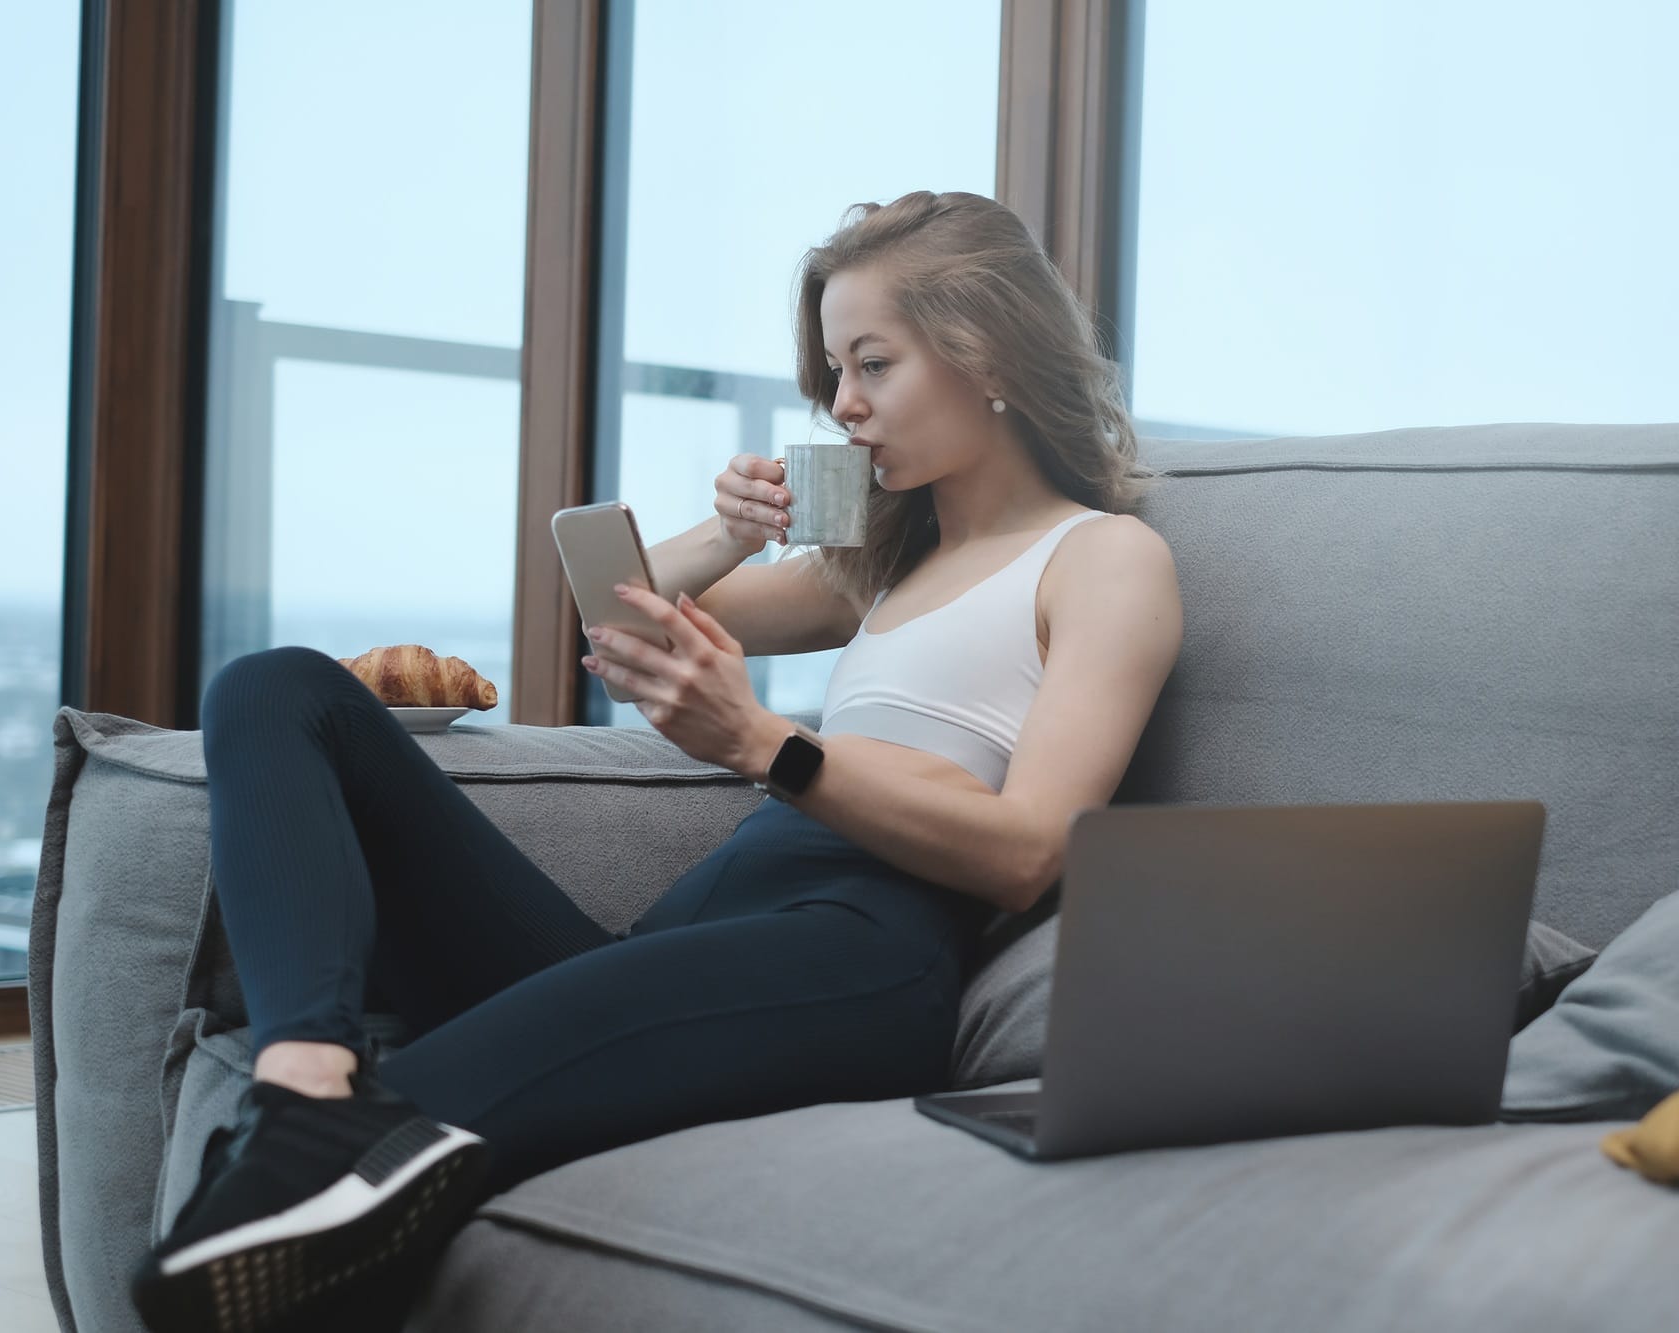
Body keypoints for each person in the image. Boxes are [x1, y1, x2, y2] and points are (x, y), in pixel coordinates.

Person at [129, 189, 1184, 1332]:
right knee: (278, 690)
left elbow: (1029, 852)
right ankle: (302, 1076)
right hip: (671, 946)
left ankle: (315, 1152)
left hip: (852, 952)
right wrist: (730, 532)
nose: (842, 404)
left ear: (986, 352)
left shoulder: (1102, 559)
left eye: (872, 365)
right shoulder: (883, 565)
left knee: (389, 1135)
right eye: (834, 371)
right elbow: (619, 620)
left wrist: (762, 743)